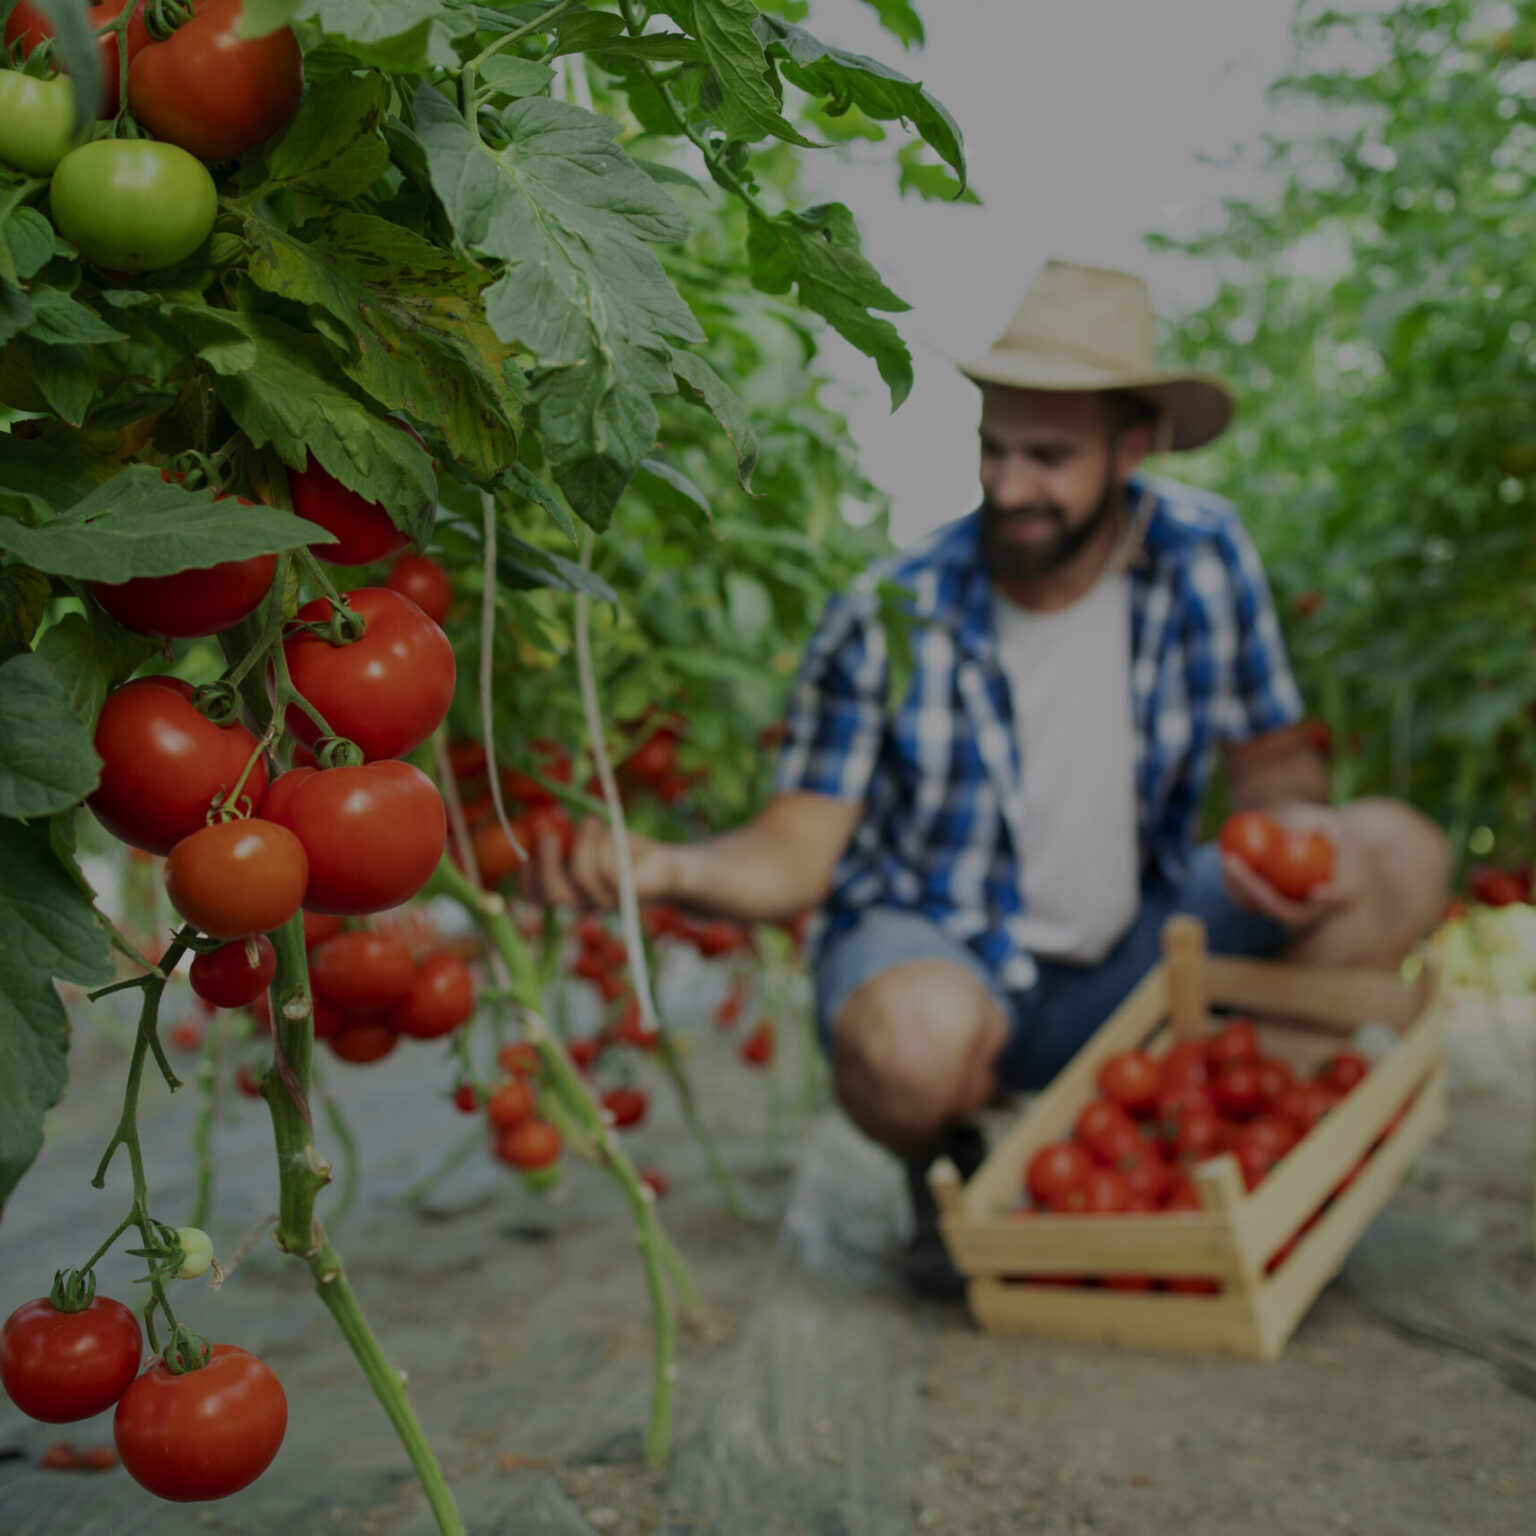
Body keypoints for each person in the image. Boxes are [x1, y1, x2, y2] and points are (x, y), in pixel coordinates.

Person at [523, 260, 1450, 1296]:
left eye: (1048, 458)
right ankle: (949, 1161)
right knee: (912, 1042)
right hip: (948, 962)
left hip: (1139, 953)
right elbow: (795, 852)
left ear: (1130, 449)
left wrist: (1288, 843)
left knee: (1399, 855)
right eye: (993, 450)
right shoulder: (890, 611)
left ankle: (1219, 1138)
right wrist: (664, 867)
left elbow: (1273, 760)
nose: (1010, 487)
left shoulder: (1201, 556)